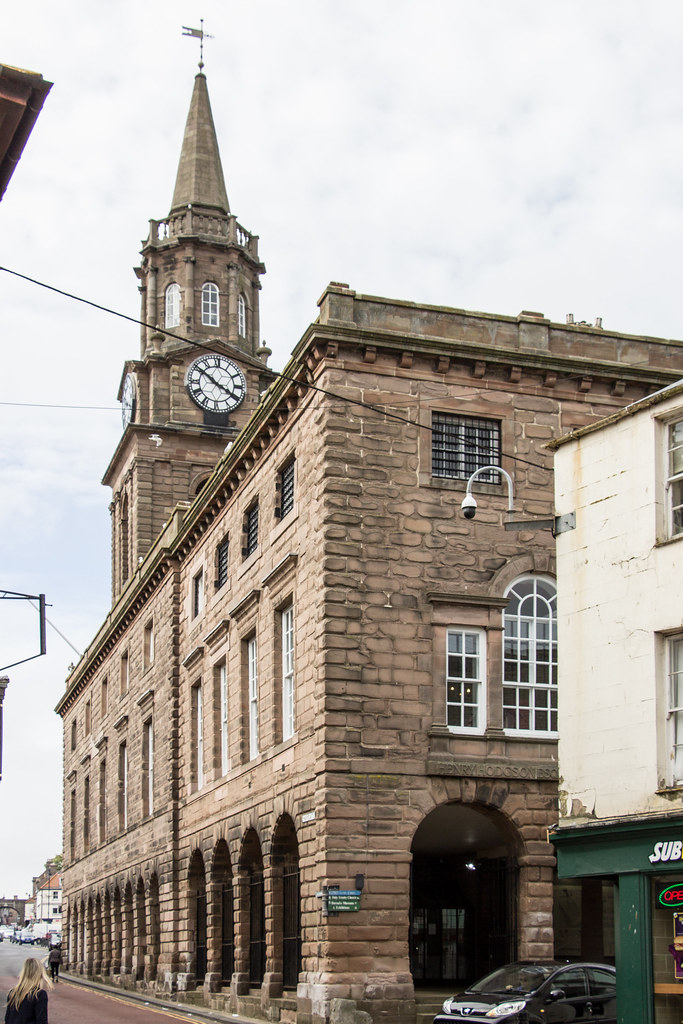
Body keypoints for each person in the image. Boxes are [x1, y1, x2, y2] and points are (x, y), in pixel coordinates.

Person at [4, 957, 51, 1023]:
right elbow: (41, 1021)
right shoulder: (39, 994)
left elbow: (7, 1019)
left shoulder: (12, 993)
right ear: (40, 974)